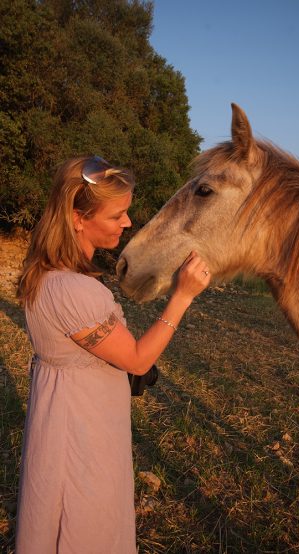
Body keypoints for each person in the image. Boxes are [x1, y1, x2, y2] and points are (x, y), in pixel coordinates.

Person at [15, 155, 211, 554]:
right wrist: (182, 297)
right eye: (117, 215)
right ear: (77, 218)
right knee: (83, 520)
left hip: (65, 418)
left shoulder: (46, 273)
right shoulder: (73, 290)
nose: (127, 223)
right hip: (82, 432)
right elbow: (138, 359)